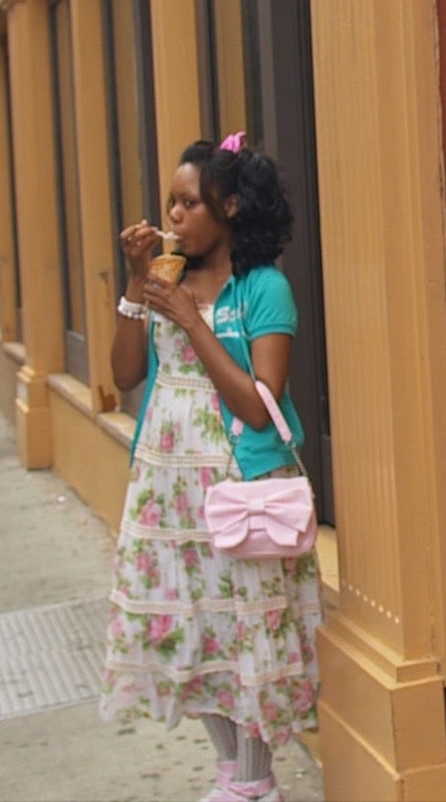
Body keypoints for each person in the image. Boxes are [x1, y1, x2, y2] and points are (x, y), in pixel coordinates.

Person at [99, 136, 321, 802]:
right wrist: (138, 283)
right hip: (168, 493)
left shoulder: (264, 287)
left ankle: (255, 781)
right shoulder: (167, 279)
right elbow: (124, 373)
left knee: (244, 630)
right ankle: (233, 775)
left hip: (238, 486)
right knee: (192, 631)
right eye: (171, 201)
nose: (173, 214)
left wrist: (194, 321)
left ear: (230, 205)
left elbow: (260, 406)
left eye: (189, 202)